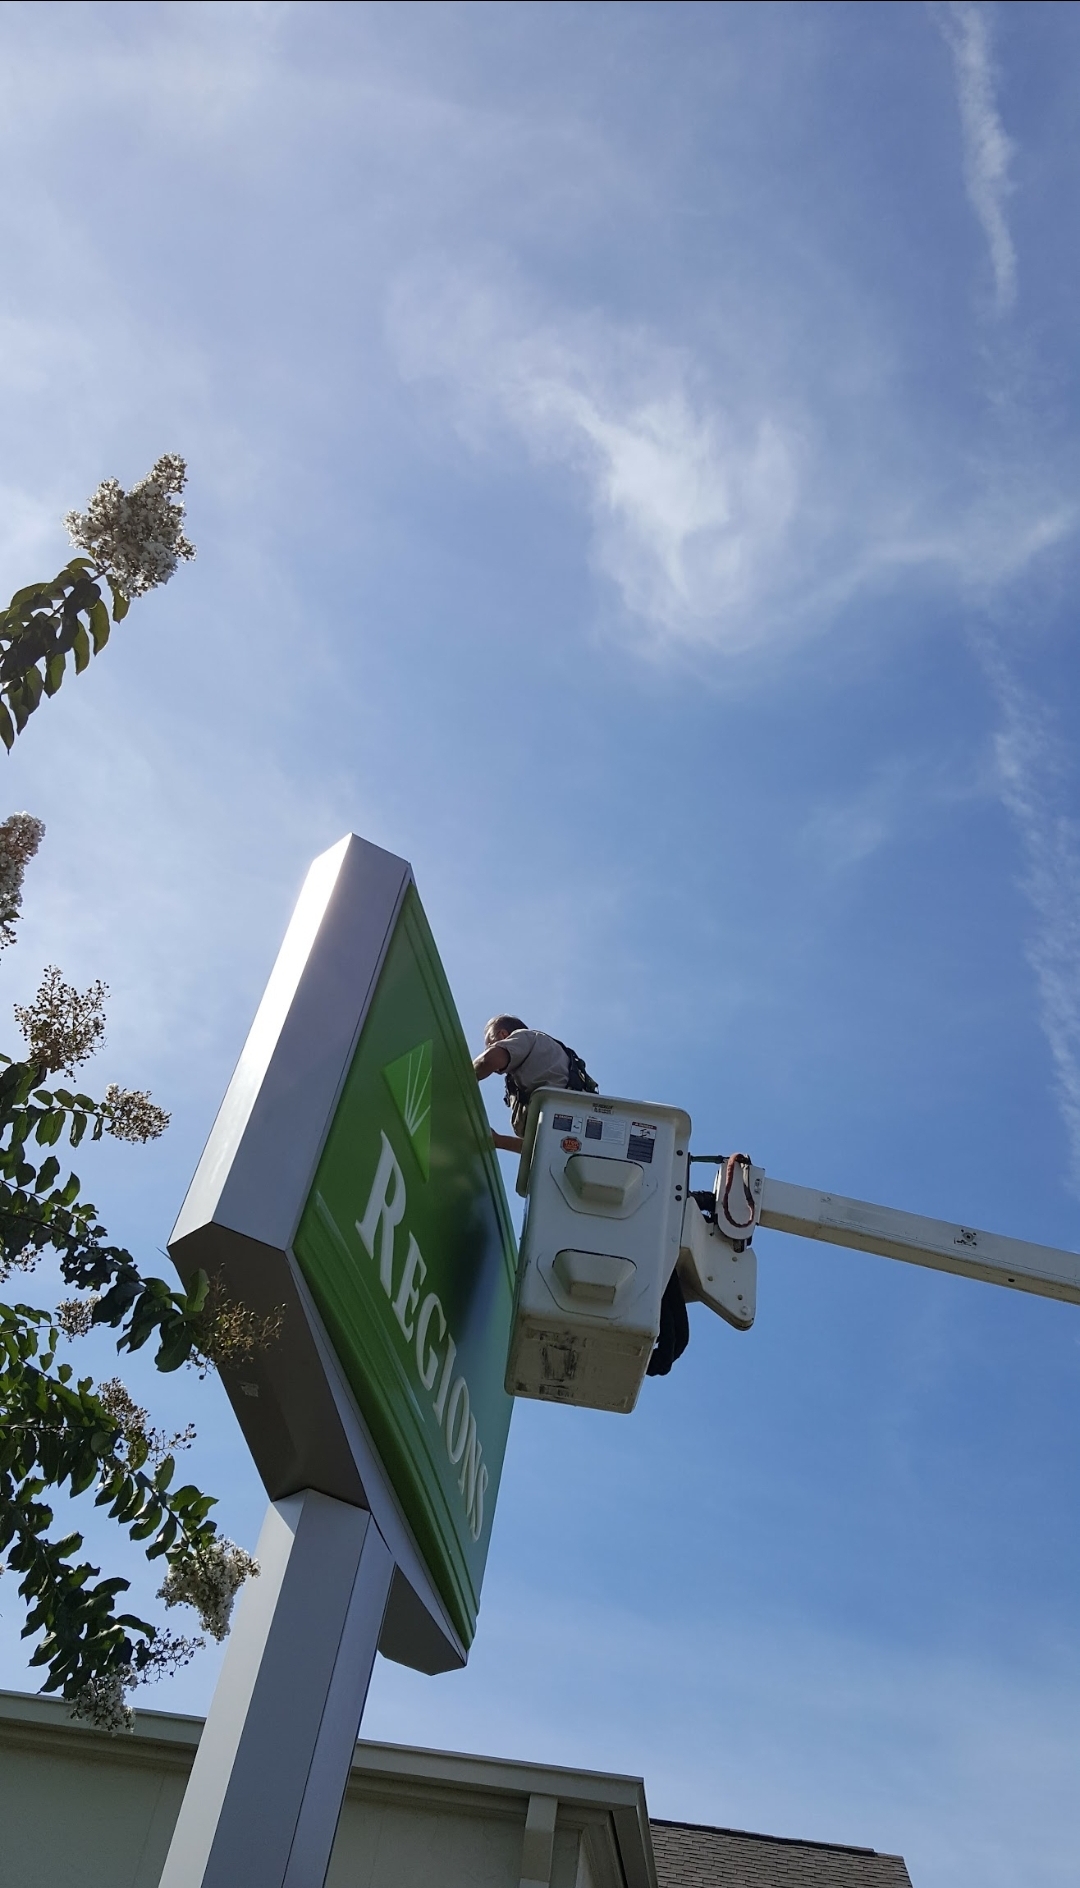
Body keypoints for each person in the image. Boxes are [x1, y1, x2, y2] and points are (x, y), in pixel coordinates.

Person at [474, 1014, 688, 1377]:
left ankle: (661, 1345)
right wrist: (496, 1142)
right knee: (614, 1247)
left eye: (492, 1039)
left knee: (623, 1247)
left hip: (589, 1161)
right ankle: (654, 1345)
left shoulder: (525, 1041)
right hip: (572, 1170)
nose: (491, 1047)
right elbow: (535, 1147)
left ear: (505, 1034)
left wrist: (454, 1077)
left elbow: (488, 1062)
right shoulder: (529, 1086)